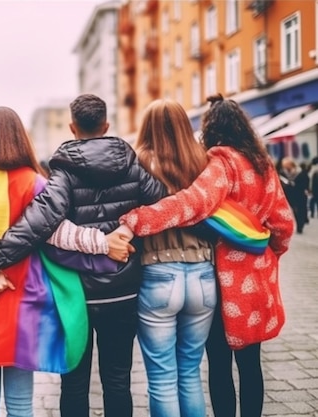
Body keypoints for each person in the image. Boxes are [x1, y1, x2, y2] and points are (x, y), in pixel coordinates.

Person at [0, 93, 166, 417]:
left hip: (78, 293)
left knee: (74, 383)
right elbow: (161, 203)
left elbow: (40, 223)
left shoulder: (63, 171)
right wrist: (130, 226)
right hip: (124, 289)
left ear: (73, 127)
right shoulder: (132, 165)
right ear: (106, 125)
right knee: (118, 380)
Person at [116, 94, 295, 417]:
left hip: (226, 279)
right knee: (251, 364)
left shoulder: (221, 163)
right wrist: (269, 255)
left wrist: (135, 221)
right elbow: (283, 224)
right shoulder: (263, 164)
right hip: (258, 277)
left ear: (211, 129)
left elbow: (190, 204)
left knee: (219, 362)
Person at [0, 106, 114, 417]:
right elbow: (57, 234)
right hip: (25, 296)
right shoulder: (36, 184)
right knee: (20, 405)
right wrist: (104, 242)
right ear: (21, 139)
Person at [129, 99, 216, 417]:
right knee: (191, 372)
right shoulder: (204, 162)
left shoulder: (138, 161)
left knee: (163, 378)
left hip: (158, 272)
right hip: (203, 274)